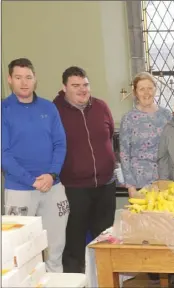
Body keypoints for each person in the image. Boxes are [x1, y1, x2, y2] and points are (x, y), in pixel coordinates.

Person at [1, 58, 69, 273]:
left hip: (53, 187)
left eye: (28, 77)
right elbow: (4, 153)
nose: (24, 82)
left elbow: (60, 143)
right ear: (10, 80)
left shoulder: (48, 108)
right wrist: (30, 180)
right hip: (19, 190)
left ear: (35, 79)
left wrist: (51, 174)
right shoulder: (4, 110)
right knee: (20, 251)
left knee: (55, 249)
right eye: (18, 77)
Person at [53, 66, 116, 273]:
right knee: (74, 241)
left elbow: (110, 139)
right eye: (76, 85)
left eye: (85, 85)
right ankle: (75, 280)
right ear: (64, 88)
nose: (82, 89)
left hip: (106, 185)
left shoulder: (101, 106)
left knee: (105, 240)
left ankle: (104, 279)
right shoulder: (55, 111)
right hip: (74, 188)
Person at [119, 72, 172, 197]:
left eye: (150, 88)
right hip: (138, 181)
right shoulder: (128, 118)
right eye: (142, 89)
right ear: (135, 92)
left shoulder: (167, 115)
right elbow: (124, 153)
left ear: (155, 90)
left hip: (164, 179)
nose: (146, 93)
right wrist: (130, 186)